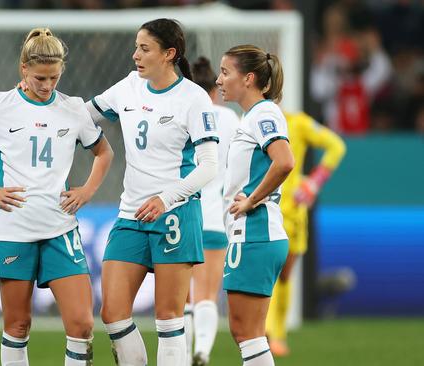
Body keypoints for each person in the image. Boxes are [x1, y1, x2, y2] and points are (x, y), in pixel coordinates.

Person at [0, 28, 113, 366]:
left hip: (60, 227)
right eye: (40, 77)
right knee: (18, 325)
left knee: (82, 323)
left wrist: (88, 190)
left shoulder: (73, 109)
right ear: (23, 69)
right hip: (14, 228)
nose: (47, 85)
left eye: (54, 77)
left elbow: (103, 153)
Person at [87, 19, 219, 366]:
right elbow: (84, 117)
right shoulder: (129, 86)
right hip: (131, 215)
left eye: (144, 49)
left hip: (174, 215)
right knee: (113, 313)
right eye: (136, 47)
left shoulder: (194, 98)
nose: (135, 56)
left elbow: (209, 166)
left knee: (169, 318)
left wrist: (166, 198)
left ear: (169, 54)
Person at [216, 44, 294, 366]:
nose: (220, 80)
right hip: (254, 234)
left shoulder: (263, 113)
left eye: (225, 72)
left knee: (246, 332)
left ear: (248, 78)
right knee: (247, 333)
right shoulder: (252, 117)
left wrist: (251, 199)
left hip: (256, 232)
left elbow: (285, 161)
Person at [265, 111, 346, 357]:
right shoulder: (250, 123)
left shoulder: (297, 123)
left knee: (286, 275)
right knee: (272, 271)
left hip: (293, 211)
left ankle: (278, 332)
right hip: (267, 208)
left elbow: (336, 146)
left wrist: (313, 183)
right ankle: (270, 334)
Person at [183, 57, 240, 366]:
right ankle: (202, 351)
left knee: (184, 297)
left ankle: (182, 353)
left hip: (182, 214)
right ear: (215, 89)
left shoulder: (184, 112)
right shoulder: (230, 119)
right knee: (207, 294)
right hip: (215, 215)